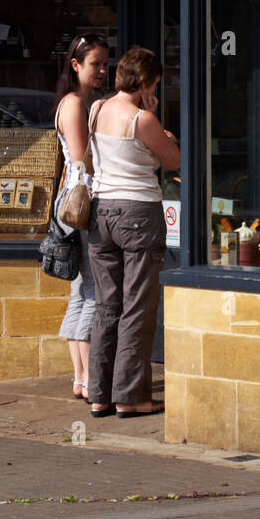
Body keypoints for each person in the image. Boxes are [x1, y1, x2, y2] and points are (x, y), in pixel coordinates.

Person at [86, 46, 180, 418]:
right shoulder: (142, 119)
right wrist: (163, 131)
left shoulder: (97, 109)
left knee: (107, 305)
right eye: (153, 84)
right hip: (138, 211)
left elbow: (93, 160)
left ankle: (99, 395)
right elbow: (173, 161)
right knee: (138, 307)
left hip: (101, 212)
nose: (153, 91)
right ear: (144, 83)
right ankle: (130, 397)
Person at [52, 33, 110, 401]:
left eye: (106, 64)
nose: (103, 70)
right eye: (95, 64)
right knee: (93, 291)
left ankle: (80, 378)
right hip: (81, 205)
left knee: (80, 290)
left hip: (74, 205)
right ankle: (90, 379)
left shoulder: (86, 101)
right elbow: (80, 160)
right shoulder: (74, 104)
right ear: (75, 65)